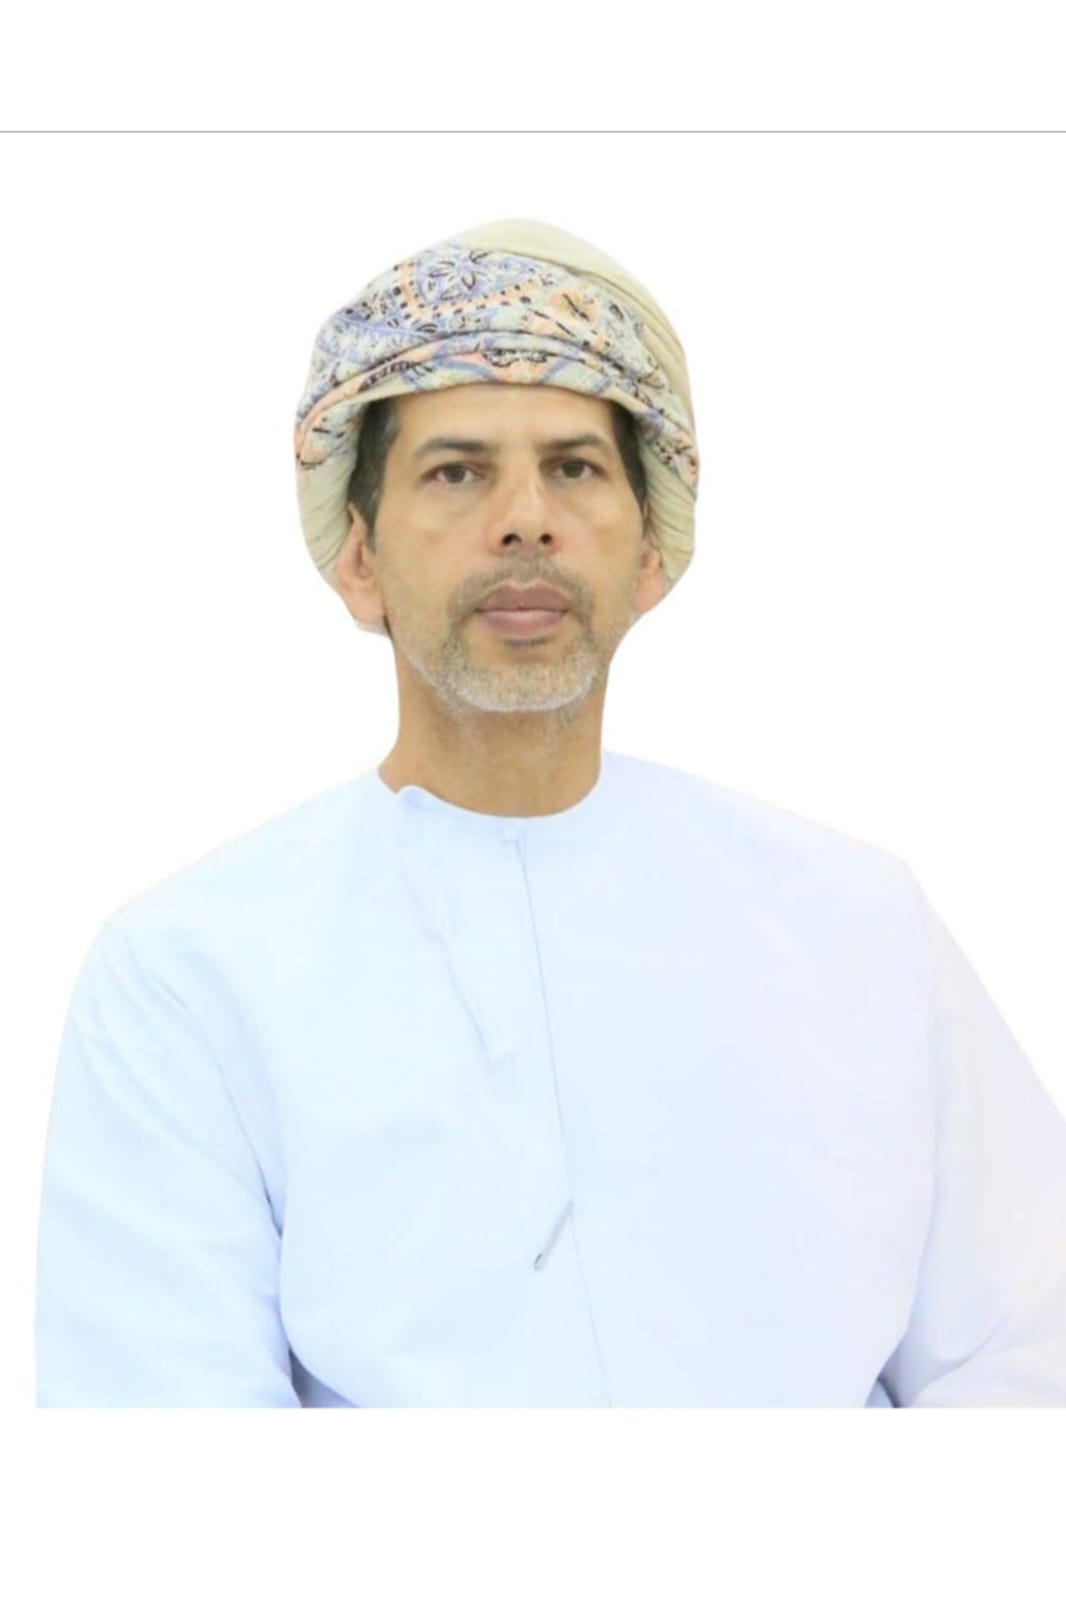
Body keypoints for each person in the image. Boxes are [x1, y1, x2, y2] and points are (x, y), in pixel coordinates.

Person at [35, 218, 1066, 1407]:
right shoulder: (193, 971)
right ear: (359, 560)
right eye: (456, 471)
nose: (524, 518)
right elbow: (161, 1441)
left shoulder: (854, 922)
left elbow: (1026, 1348)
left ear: (650, 553)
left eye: (574, 467)